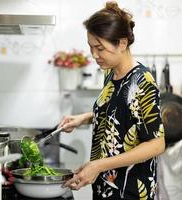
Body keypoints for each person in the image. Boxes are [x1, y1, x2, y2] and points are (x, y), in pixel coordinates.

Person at [58, 2, 165, 200]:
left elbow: (156, 144)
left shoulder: (142, 82)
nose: (94, 55)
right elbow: (122, 111)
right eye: (91, 47)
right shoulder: (111, 73)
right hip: (105, 186)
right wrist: (84, 118)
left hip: (130, 190)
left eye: (100, 48)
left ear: (122, 44)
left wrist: (98, 165)